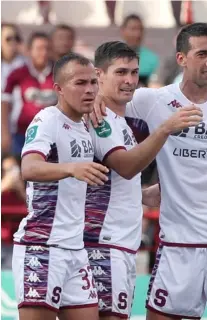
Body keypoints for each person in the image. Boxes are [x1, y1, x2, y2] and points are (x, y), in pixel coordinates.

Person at [91, 22, 207, 320]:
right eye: (202, 54)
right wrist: (97, 94)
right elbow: (112, 94)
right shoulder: (154, 100)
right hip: (179, 241)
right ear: (181, 59)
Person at [85, 41, 202, 320]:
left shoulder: (123, 116)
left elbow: (107, 177)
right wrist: (164, 129)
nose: (129, 81)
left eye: (134, 73)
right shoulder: (98, 117)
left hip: (121, 243)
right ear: (99, 75)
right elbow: (125, 167)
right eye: (121, 72)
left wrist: (141, 194)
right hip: (104, 242)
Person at [12, 53, 109, 320]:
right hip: (42, 246)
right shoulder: (47, 121)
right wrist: (70, 168)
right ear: (58, 89)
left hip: (75, 249)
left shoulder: (84, 125)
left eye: (93, 82)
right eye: (80, 83)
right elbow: (28, 168)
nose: (89, 89)